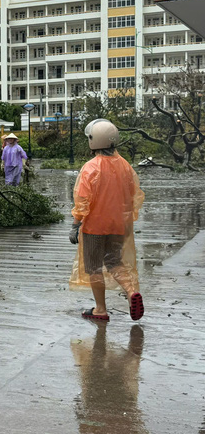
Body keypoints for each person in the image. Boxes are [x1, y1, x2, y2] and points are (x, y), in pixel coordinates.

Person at [69, 119, 145, 322]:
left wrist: (75, 225)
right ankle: (131, 293)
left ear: (94, 141)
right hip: (118, 225)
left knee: (94, 267)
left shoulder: (90, 168)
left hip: (95, 227)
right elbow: (133, 195)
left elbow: (82, 200)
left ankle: (100, 309)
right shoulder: (126, 166)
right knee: (114, 262)